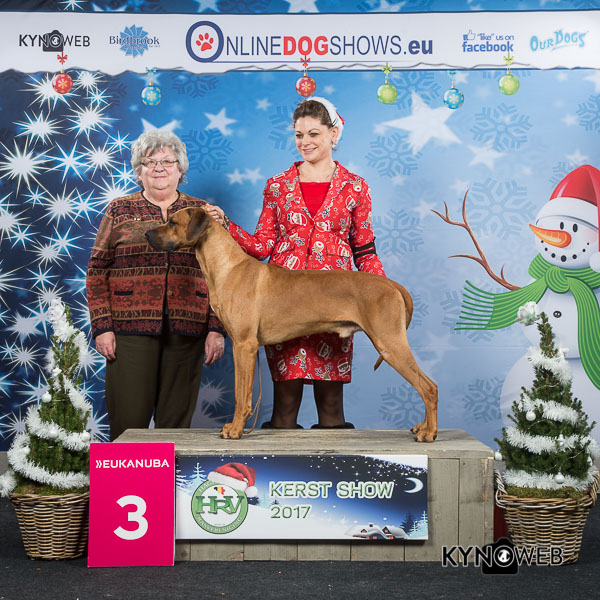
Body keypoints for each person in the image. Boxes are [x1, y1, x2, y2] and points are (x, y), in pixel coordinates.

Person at [205, 97, 385, 430]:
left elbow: (364, 249)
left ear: (333, 134)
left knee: (331, 404)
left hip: (335, 299)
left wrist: (378, 295)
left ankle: (332, 464)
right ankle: (280, 464)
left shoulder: (356, 187)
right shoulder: (277, 185)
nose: (305, 142)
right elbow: (262, 245)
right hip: (281, 299)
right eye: (299, 135)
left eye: (314, 134)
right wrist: (227, 224)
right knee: (285, 403)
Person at [86, 130, 226, 441]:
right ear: (139, 170)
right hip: (128, 331)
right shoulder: (119, 210)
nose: (159, 168)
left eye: (167, 161)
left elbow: (221, 275)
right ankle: (127, 474)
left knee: (175, 426)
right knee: (128, 422)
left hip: (188, 329)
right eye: (150, 162)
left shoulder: (201, 213)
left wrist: (217, 328)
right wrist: (102, 327)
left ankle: (170, 474)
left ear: (180, 169)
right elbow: (97, 270)